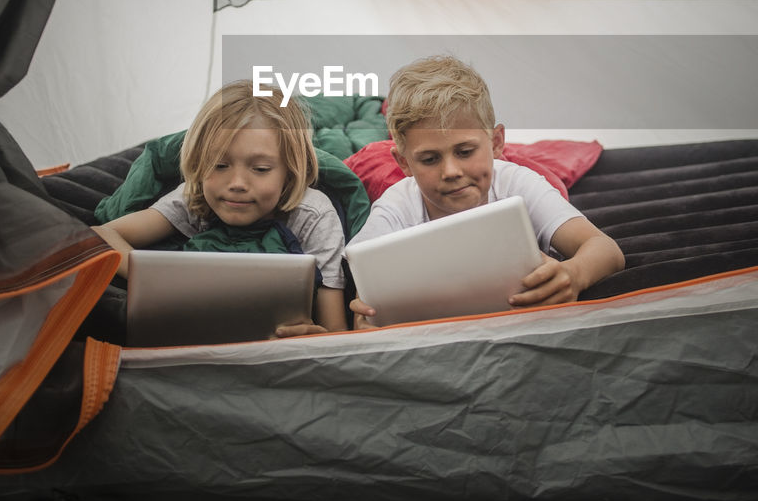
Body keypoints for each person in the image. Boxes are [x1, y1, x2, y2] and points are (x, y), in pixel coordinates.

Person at [349, 55, 624, 328]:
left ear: (496, 143)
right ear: (405, 163)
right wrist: (366, 313)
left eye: (465, 152)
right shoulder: (398, 205)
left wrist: (573, 274)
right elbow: (364, 284)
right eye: (430, 159)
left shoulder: (515, 184)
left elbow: (605, 249)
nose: (451, 171)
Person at [93, 80, 348, 336]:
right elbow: (101, 235)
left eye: (260, 169)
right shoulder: (195, 197)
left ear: (290, 172)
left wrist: (314, 337)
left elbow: (336, 329)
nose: (236, 184)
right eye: (219, 165)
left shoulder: (314, 216)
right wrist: (162, 282)